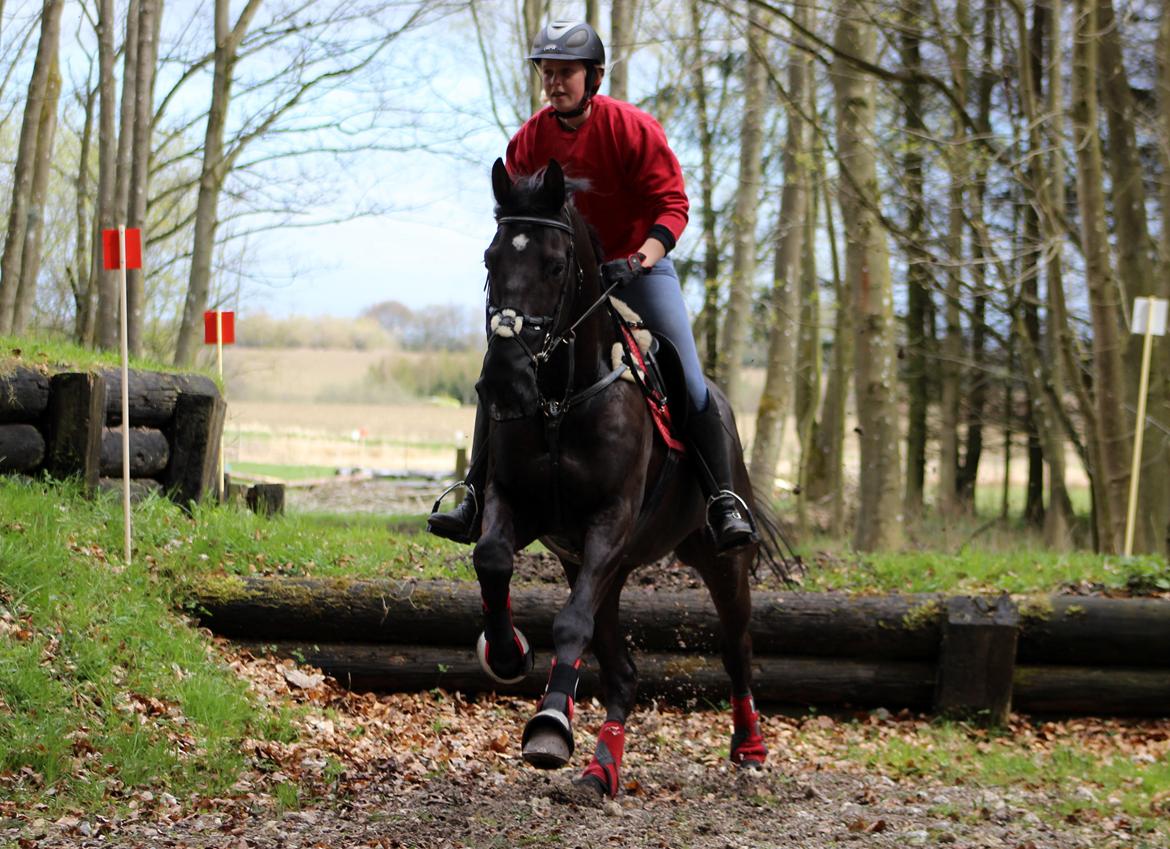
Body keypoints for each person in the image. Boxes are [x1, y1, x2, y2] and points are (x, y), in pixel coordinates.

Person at [428, 20, 756, 552]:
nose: (554, 83)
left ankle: (722, 500)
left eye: (565, 73)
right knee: (502, 366)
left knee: (688, 375)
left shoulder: (632, 128)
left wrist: (641, 259)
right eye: (547, 73)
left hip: (637, 270)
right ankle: (472, 494)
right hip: (560, 286)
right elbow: (517, 216)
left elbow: (673, 205)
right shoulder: (530, 139)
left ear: (594, 77)